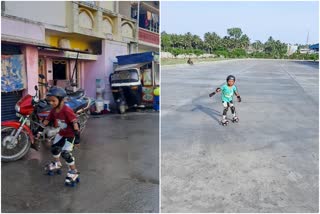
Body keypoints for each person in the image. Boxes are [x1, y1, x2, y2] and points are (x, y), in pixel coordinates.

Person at [42, 86, 80, 186]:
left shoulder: (67, 111)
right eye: (49, 101)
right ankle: (57, 164)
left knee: (66, 154)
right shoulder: (53, 110)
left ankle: (73, 171)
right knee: (54, 149)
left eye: (53, 101)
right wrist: (40, 128)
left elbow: (75, 124)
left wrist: (77, 139)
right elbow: (47, 119)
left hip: (70, 135)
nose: (51, 103)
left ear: (61, 100)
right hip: (61, 133)